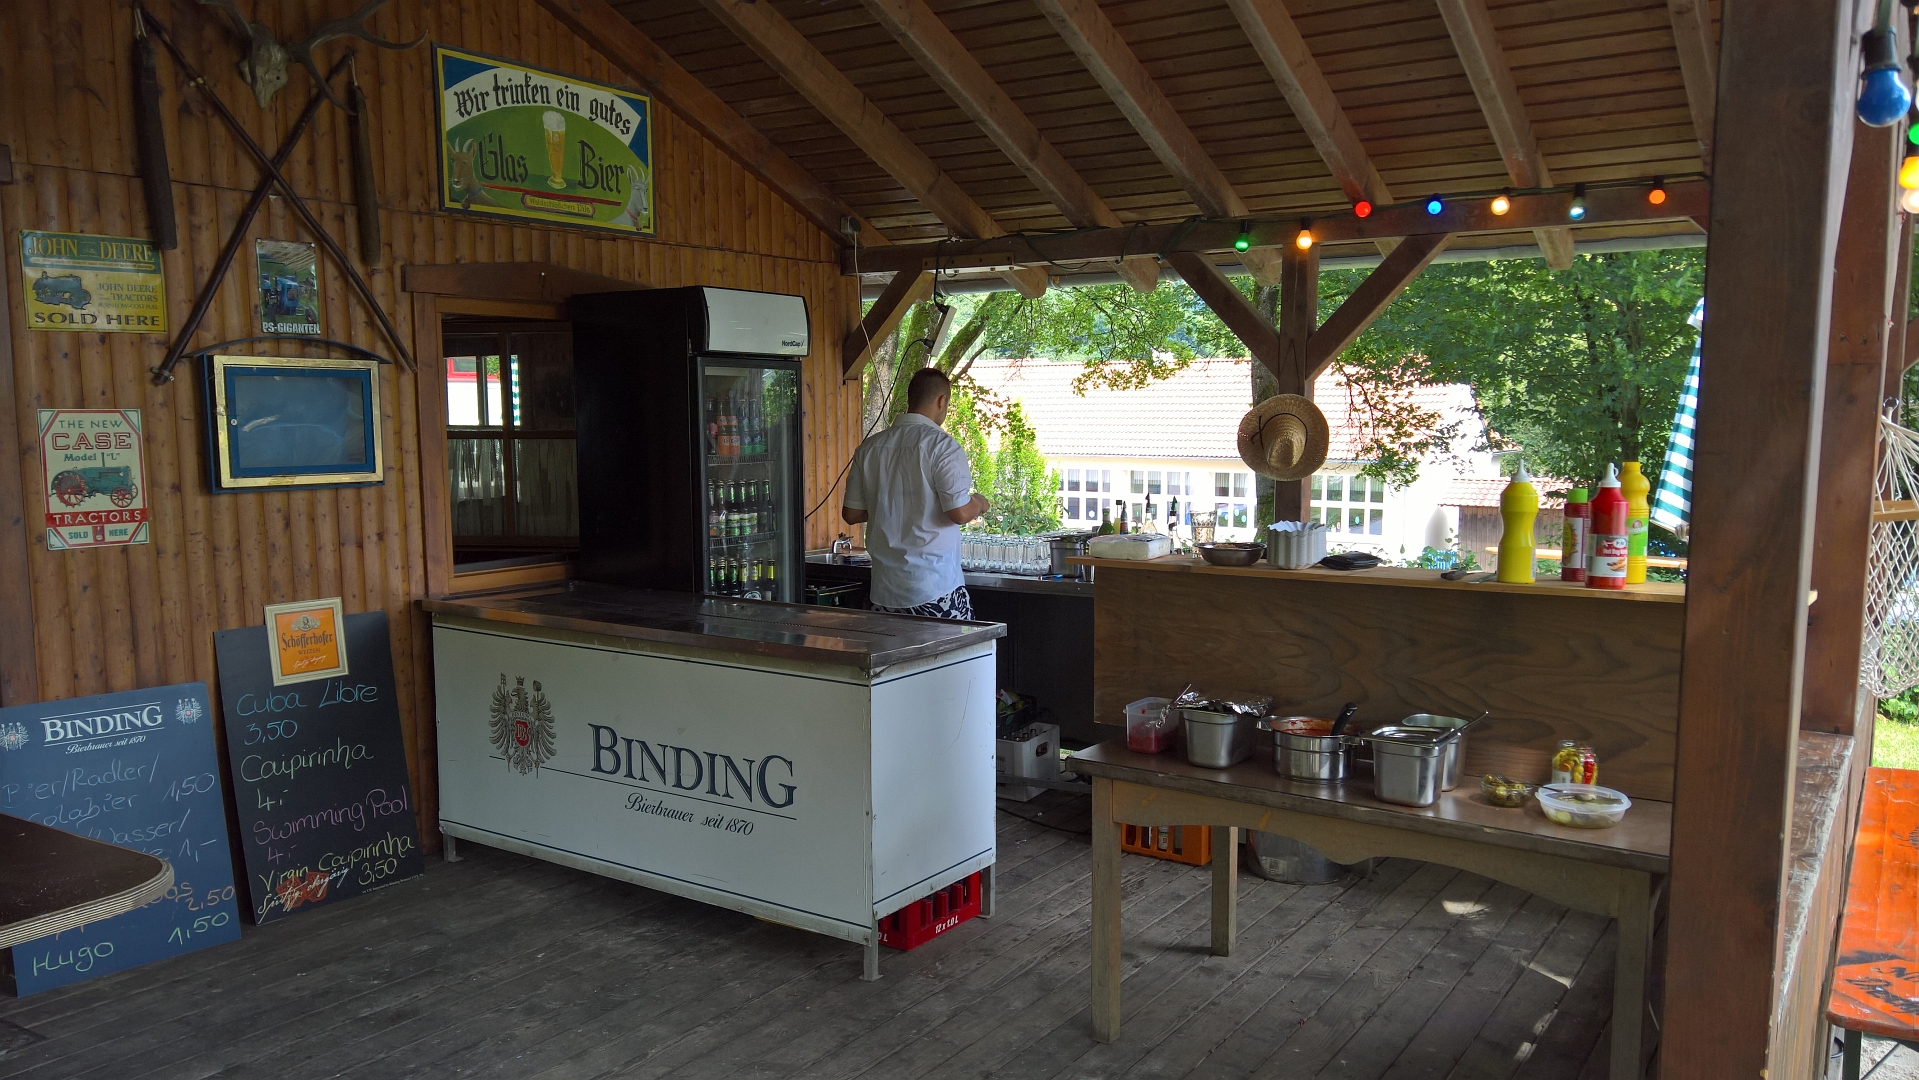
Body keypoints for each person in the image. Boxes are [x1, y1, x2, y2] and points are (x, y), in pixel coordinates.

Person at [841, 367, 989, 619]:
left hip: (885, 591)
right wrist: (980, 503)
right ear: (941, 401)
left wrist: (889, 503)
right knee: (963, 646)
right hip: (935, 588)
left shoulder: (869, 448)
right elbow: (960, 512)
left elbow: (852, 513)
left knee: (894, 648)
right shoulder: (942, 446)